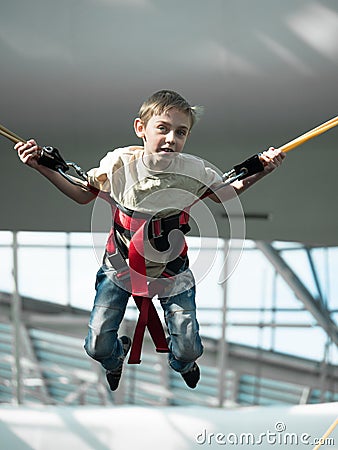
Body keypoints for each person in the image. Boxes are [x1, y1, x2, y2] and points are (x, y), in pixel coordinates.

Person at [15, 90, 285, 391]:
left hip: (172, 269)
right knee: (97, 346)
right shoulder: (119, 164)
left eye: (180, 132)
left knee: (189, 349)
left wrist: (262, 168)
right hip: (120, 266)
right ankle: (114, 357)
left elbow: (227, 193)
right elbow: (82, 193)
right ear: (141, 128)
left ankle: (182, 362)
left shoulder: (194, 171)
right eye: (163, 128)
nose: (171, 138)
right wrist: (41, 166)